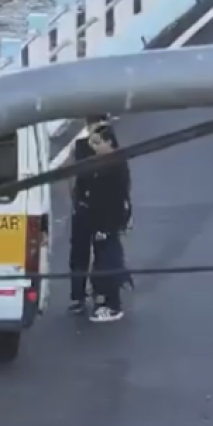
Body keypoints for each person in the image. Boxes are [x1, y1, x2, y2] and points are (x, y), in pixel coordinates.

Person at [80, 124, 132, 322]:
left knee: (107, 261)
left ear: (109, 141)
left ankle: (112, 304)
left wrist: (106, 226)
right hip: (101, 222)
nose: (93, 147)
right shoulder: (105, 163)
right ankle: (107, 300)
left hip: (107, 222)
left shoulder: (114, 166)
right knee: (105, 259)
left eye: (97, 143)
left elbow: (114, 199)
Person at [68, 115, 117, 313]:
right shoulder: (81, 147)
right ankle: (78, 296)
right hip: (84, 206)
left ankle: (101, 293)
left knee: (103, 254)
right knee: (79, 254)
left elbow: (120, 182)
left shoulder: (111, 145)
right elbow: (76, 177)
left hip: (102, 208)